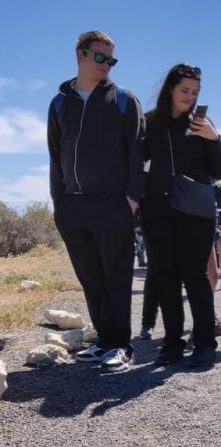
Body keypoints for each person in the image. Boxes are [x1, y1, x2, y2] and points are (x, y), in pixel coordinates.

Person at [48, 31, 145, 372]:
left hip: (113, 203)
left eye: (111, 60)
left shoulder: (122, 100)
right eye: (100, 57)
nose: (106, 65)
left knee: (116, 277)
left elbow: (138, 151)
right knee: (91, 279)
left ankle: (121, 345)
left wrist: (133, 198)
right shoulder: (59, 103)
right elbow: (55, 156)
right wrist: (59, 203)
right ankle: (104, 341)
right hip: (73, 206)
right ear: (81, 54)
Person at [140, 63, 221, 368]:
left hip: (196, 210)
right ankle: (172, 344)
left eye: (195, 91)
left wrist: (212, 139)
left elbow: (218, 172)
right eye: (184, 90)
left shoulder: (203, 123)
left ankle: (204, 344)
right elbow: (137, 163)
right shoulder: (149, 123)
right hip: (157, 209)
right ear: (170, 90)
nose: (190, 97)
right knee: (166, 278)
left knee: (195, 276)